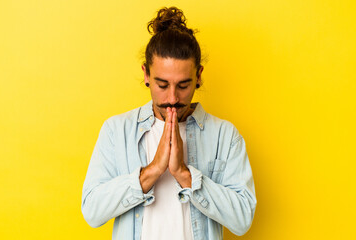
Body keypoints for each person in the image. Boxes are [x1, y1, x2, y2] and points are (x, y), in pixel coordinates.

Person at [81, 6, 256, 240]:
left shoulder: (225, 136)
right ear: (146, 74)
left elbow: (243, 219)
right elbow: (92, 211)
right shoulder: (116, 130)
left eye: (183, 85)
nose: (172, 98)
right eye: (162, 85)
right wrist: (151, 171)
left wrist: (185, 175)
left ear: (199, 76)